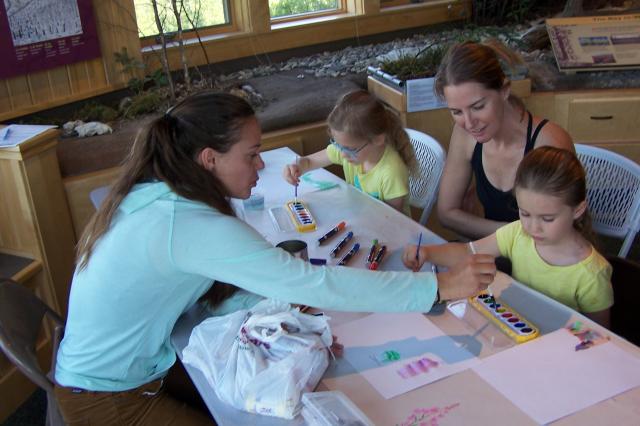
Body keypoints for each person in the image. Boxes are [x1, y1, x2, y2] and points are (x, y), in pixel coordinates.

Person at [54, 91, 496, 425]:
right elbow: (311, 282)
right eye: (251, 155)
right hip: (107, 395)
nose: (261, 165)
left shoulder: (161, 192)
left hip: (114, 368)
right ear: (209, 159)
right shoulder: (189, 224)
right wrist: (436, 287)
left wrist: (286, 312)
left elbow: (227, 290)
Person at [403, 147, 613, 327]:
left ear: (577, 210)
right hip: (512, 329)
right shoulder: (517, 233)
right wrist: (428, 252)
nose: (533, 227)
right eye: (525, 213)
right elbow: (468, 251)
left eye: (547, 219)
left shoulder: (591, 274)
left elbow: (600, 336)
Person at [434, 40, 574, 239]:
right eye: (456, 112)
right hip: (495, 253)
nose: (469, 122)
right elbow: (446, 214)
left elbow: (560, 232)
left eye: (478, 106)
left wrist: (485, 229)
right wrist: (512, 235)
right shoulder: (464, 135)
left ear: (504, 90)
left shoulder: (548, 142)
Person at [283, 89, 416, 214]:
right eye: (338, 145)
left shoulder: (391, 172)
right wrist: (297, 167)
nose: (343, 154)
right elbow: (309, 162)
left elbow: (391, 219)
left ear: (378, 140)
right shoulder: (349, 151)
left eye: (350, 149)